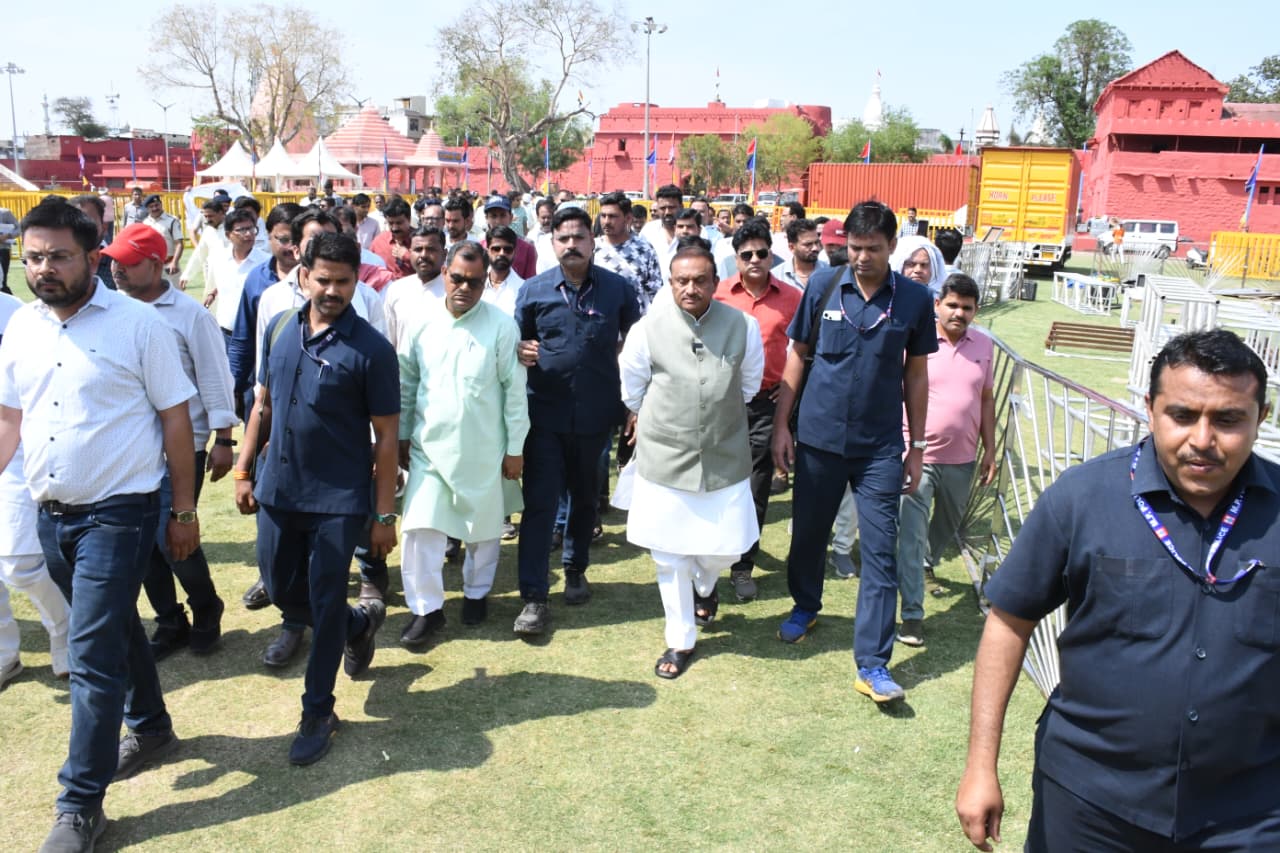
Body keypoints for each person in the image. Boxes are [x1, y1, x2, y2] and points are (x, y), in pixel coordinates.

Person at [956, 329, 1280, 852]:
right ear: (1149, 408)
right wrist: (979, 765)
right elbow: (1009, 622)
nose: (1202, 439)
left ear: (1261, 417)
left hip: (1250, 813)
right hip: (1090, 803)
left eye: (1228, 420)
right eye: (1182, 415)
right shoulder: (1082, 498)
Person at [0, 198, 199, 852]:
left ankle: (79, 805)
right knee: (111, 626)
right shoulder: (21, 327)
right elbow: (9, 418)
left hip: (121, 512)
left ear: (91, 255)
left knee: (90, 653)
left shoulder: (139, 325)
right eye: (34, 257)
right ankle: (153, 724)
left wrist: (183, 510)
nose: (44, 269)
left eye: (59, 256)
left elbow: (175, 419)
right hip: (51, 513)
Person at [233, 232, 398, 767]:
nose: (332, 291)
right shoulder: (280, 327)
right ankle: (357, 625)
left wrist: (383, 514)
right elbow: (263, 403)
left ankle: (318, 711)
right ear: (303, 276)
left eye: (343, 282)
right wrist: (243, 468)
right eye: (323, 279)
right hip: (278, 489)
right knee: (283, 591)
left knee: (324, 603)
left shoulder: (372, 350)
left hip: (338, 500)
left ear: (356, 282)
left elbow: (387, 438)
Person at [771, 201, 937, 705]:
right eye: (855, 248)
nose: (862, 258)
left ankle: (873, 664)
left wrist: (917, 447)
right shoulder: (823, 286)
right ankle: (806, 605)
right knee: (809, 535)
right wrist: (782, 426)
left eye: (874, 249)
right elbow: (798, 355)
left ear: (893, 247)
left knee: (880, 551)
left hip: (880, 448)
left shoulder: (914, 299)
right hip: (818, 440)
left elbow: (916, 374)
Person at [621, 241, 762, 678]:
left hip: (724, 453)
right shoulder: (646, 329)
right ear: (670, 283)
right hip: (665, 456)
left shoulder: (743, 326)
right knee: (669, 556)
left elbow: (749, 384)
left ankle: (706, 584)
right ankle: (680, 639)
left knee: (724, 550)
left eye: (700, 280)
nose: (691, 288)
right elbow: (632, 389)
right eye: (682, 281)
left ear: (715, 282)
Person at [106, 223, 235, 661]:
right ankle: (169, 619)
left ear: (157, 264)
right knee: (140, 544)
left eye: (127, 262)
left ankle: (206, 605)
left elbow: (215, 377)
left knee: (172, 538)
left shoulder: (189, 315)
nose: (116, 270)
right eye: (114, 261)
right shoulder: (112, 310)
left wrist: (224, 438)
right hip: (129, 446)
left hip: (182, 445)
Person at [513, 206, 641, 635]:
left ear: (592, 241)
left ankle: (575, 568)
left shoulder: (618, 290)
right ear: (552, 243)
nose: (571, 245)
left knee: (585, 499)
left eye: (579, 238)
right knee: (540, 505)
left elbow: (636, 346)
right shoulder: (532, 291)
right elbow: (517, 342)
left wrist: (634, 404)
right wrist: (521, 350)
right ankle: (533, 596)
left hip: (595, 415)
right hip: (544, 416)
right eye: (563, 238)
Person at [397, 242, 528, 644]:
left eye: (474, 282)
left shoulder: (501, 326)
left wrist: (515, 449)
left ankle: (476, 593)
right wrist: (401, 436)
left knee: (483, 531)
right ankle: (426, 609)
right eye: (457, 278)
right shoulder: (419, 321)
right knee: (420, 531)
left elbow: (515, 392)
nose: (464, 288)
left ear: (485, 282)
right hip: (428, 450)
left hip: (484, 449)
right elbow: (406, 383)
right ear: (444, 274)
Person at [893, 273, 995, 649]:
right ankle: (912, 615)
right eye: (952, 305)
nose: (958, 313)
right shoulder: (917, 341)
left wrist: (990, 448)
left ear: (975, 311)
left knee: (949, 524)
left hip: (962, 458)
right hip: (916, 455)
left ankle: (925, 560)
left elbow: (986, 398)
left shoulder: (984, 345)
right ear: (937, 305)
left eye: (967, 307)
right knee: (911, 535)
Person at [713, 219, 802, 603]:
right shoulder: (717, 294)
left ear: (771, 256)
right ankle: (709, 556)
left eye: (761, 253)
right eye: (746, 254)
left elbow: (803, 351)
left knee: (755, 487)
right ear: (736, 258)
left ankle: (742, 566)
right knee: (716, 484)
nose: (754, 259)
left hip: (766, 405)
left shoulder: (792, 298)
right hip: (720, 405)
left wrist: (790, 395)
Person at [0, 290, 70, 688]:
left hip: (16, 442)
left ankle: (63, 627)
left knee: (20, 563)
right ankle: (4, 655)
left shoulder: (16, 314)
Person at [229, 202, 303, 422]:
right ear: (269, 236)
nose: (291, 247)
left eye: (297, 240)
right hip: (265, 390)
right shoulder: (257, 279)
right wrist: (234, 386)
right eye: (283, 239)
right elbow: (243, 339)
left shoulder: (320, 282)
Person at [203, 207, 269, 344]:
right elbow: (221, 284)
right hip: (226, 332)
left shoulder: (266, 262)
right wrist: (212, 293)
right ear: (228, 235)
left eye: (251, 229)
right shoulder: (218, 259)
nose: (248, 234)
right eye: (242, 230)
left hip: (257, 334)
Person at [594, 192, 663, 310]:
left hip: (636, 319)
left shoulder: (644, 249)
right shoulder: (592, 248)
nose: (606, 221)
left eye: (612, 216)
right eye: (603, 216)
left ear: (628, 218)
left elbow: (656, 292)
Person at [382, 226, 446, 353]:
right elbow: (389, 339)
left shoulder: (453, 291)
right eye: (418, 249)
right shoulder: (397, 290)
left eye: (431, 249)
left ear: (444, 254)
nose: (424, 255)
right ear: (410, 253)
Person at [178, 199, 229, 292]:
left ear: (221, 213)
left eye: (211, 216)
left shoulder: (233, 229)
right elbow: (199, 254)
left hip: (232, 275)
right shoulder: (208, 231)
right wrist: (186, 275)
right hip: (213, 274)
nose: (208, 219)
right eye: (206, 216)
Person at [69, 194, 117, 290]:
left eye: (88, 222)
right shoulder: (54, 263)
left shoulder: (117, 262)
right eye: (75, 222)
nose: (82, 228)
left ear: (104, 227)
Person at [482, 196, 536, 279]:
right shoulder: (480, 247)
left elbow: (530, 280)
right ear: (487, 219)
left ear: (510, 218)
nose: (498, 221)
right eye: (493, 216)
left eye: (503, 215)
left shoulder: (527, 247)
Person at [773, 217, 828, 291]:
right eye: (808, 244)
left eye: (816, 242)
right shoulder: (777, 276)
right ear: (792, 247)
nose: (815, 248)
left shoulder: (830, 273)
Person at [142, 195, 184, 282]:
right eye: (151, 206)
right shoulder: (145, 223)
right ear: (147, 209)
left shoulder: (172, 221)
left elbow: (179, 244)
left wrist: (174, 262)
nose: (154, 208)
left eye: (156, 205)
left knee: (175, 290)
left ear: (161, 204)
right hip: (153, 267)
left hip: (169, 265)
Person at [370, 197, 414, 279]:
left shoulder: (422, 240)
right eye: (390, 223)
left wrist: (408, 256)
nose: (394, 228)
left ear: (409, 219)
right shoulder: (379, 242)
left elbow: (433, 267)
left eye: (399, 223)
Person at [639, 184, 683, 257]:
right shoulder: (648, 231)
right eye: (663, 208)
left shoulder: (692, 230)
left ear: (681, 207)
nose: (667, 212)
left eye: (671, 207)